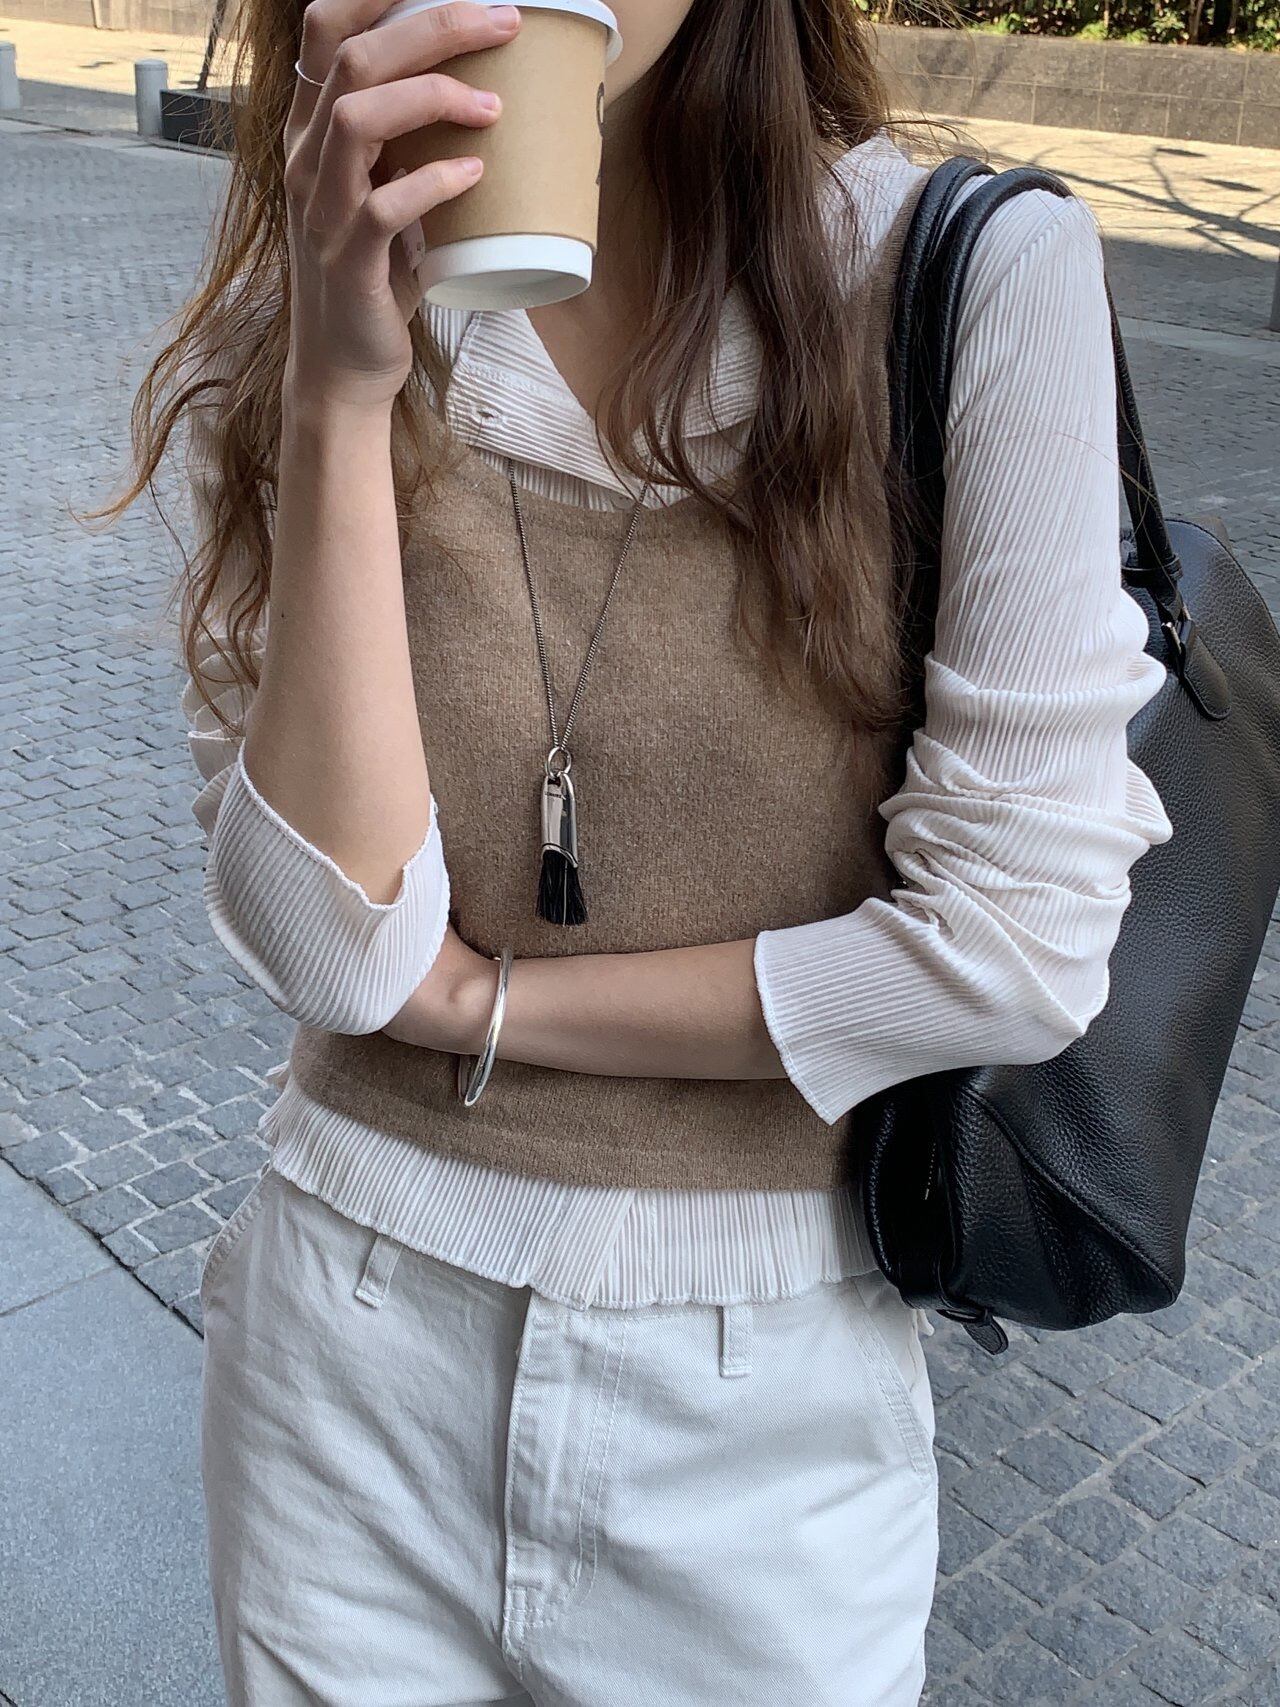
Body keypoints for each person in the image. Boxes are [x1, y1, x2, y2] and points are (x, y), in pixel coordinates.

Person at [100, 0, 1173, 1700]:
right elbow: (337, 953)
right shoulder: (315, 302)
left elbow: (1012, 947)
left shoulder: (966, 275)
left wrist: (483, 1008)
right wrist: (338, 389)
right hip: (340, 1362)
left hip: (763, 1411)